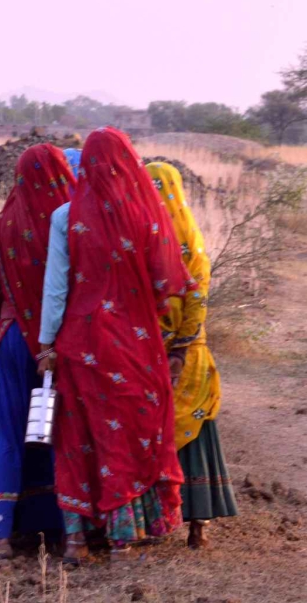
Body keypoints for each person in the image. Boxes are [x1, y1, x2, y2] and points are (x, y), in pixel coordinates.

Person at [37, 128, 192, 563]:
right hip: (135, 342)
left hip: (80, 341)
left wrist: (46, 344)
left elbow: (56, 289)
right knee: (127, 433)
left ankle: (76, 540)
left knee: (76, 437)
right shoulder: (147, 213)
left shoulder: (66, 217)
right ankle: (124, 535)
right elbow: (167, 282)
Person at [0, 143, 75, 559]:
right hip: (60, 344)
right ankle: (63, 530)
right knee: (58, 433)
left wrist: (11, 294)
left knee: (7, 432)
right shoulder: (72, 222)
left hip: (12, 340)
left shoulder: (1, 224)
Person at [145, 160, 239, 549]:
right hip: (191, 354)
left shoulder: (144, 240)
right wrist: (185, 346)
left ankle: (155, 518)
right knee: (196, 433)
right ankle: (198, 526)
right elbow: (197, 300)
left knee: (159, 433)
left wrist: (173, 347)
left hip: (153, 353)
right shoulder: (193, 242)